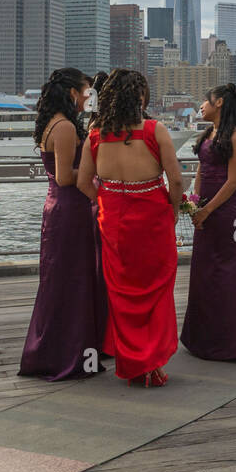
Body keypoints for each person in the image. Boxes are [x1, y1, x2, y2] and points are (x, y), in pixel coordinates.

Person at [77, 69, 182, 385]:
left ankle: (134, 362)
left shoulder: (95, 135)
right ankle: (151, 361)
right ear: (140, 97)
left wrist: (107, 199)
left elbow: (83, 183)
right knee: (157, 289)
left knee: (122, 294)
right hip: (153, 217)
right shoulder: (154, 130)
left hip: (114, 221)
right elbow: (176, 180)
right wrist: (174, 211)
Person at [19, 68, 110, 381]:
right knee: (74, 280)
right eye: (86, 91)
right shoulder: (66, 126)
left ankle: (56, 351)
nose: (89, 97)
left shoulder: (53, 122)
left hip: (59, 207)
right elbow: (64, 176)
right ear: (73, 92)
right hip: (70, 207)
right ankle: (69, 356)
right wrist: (96, 178)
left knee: (62, 279)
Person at [182, 84, 236, 361]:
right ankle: (202, 338)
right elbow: (201, 170)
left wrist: (207, 210)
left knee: (227, 272)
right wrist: (194, 203)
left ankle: (233, 343)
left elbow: (233, 181)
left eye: (206, 100)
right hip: (204, 208)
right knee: (204, 271)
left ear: (220, 103)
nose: (202, 105)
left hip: (227, 213)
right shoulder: (208, 133)